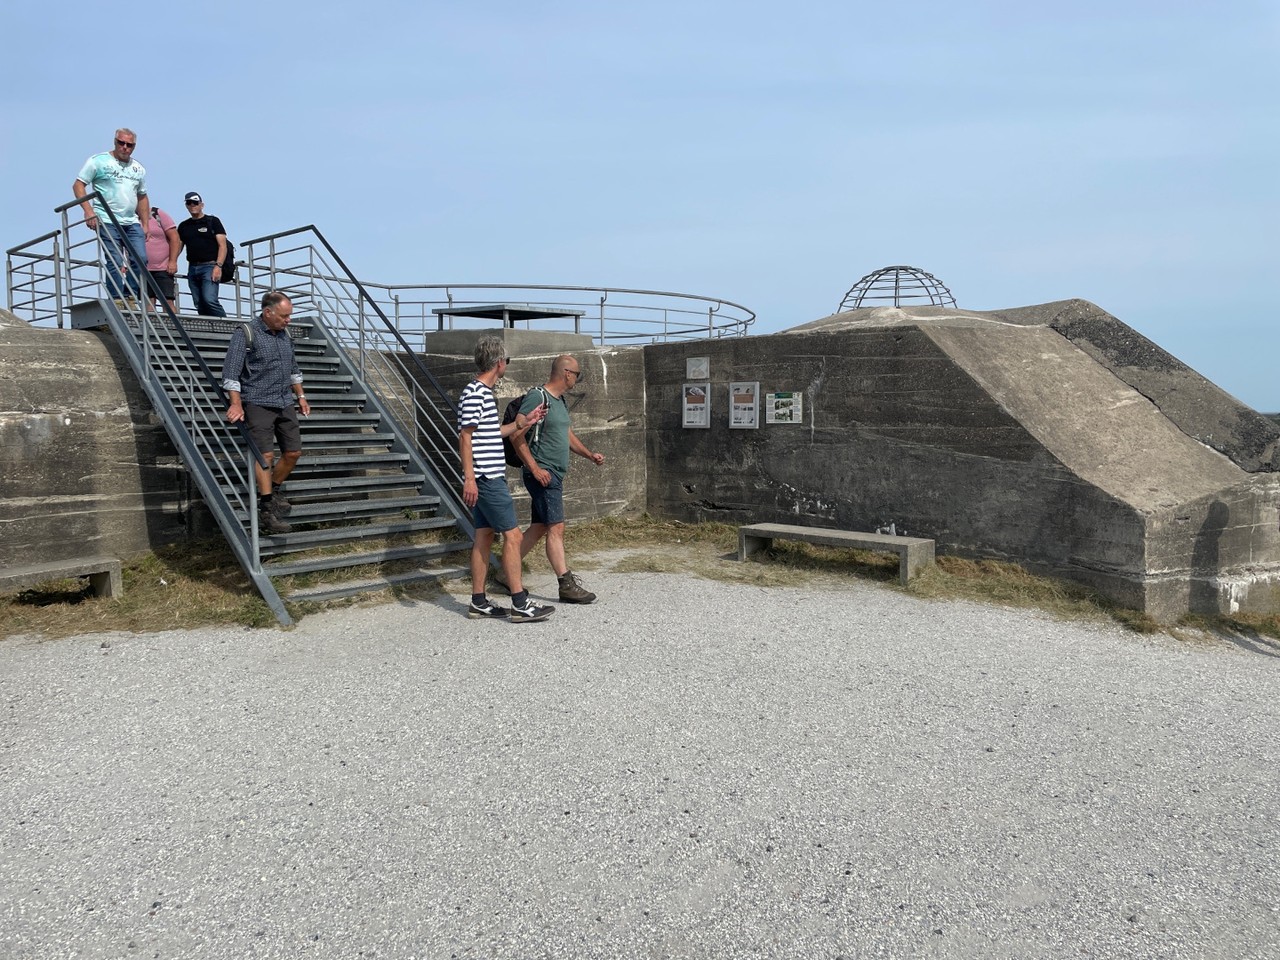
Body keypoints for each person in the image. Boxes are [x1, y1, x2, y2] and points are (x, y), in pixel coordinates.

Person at [458, 336, 554, 623]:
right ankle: (520, 602)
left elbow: (490, 434)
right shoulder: (477, 393)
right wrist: (471, 478)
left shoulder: (482, 392)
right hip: (487, 479)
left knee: (484, 536)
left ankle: (478, 601)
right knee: (513, 536)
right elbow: (466, 436)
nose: (507, 365)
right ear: (499, 362)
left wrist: (524, 422)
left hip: (485, 477)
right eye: (507, 361)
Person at [510, 354, 606, 604]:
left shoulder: (560, 401)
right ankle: (566, 584)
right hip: (543, 474)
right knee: (556, 527)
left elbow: (566, 434)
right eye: (577, 374)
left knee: (540, 526)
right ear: (566, 373)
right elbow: (517, 436)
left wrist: (589, 455)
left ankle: (504, 570)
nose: (577, 378)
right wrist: (535, 468)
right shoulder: (537, 397)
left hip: (552, 473)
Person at [222, 291, 310, 535]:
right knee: (265, 456)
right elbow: (231, 372)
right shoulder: (246, 333)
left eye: (289, 316)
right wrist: (236, 404)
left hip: (284, 401)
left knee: (293, 452)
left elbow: (293, 368)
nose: (288, 320)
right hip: (257, 402)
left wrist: (300, 396)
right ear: (268, 312)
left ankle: (273, 488)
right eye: (284, 316)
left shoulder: (285, 335)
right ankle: (266, 510)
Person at [72, 128, 150, 303]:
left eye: (129, 145)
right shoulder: (98, 161)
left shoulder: (138, 168)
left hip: (131, 221)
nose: (125, 147)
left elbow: (142, 197)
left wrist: (145, 224)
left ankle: (129, 293)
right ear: (115, 142)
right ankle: (117, 298)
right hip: (107, 219)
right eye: (121, 143)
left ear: (134, 146)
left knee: (141, 258)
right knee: (114, 259)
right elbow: (78, 185)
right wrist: (88, 211)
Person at [176, 192, 228, 317]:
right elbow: (178, 247)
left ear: (201, 205)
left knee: (210, 300)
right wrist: (170, 261)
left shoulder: (212, 221)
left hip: (210, 266)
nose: (192, 205)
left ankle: (230, 328)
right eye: (189, 203)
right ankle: (209, 328)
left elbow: (223, 245)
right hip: (193, 267)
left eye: (195, 202)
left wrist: (218, 266)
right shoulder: (184, 226)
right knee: (199, 303)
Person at [143, 206, 181, 314]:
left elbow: (175, 238)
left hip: (163, 267)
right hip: (143, 268)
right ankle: (151, 328)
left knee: (167, 301)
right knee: (148, 301)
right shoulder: (131, 218)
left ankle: (173, 328)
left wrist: (173, 261)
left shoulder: (158, 214)